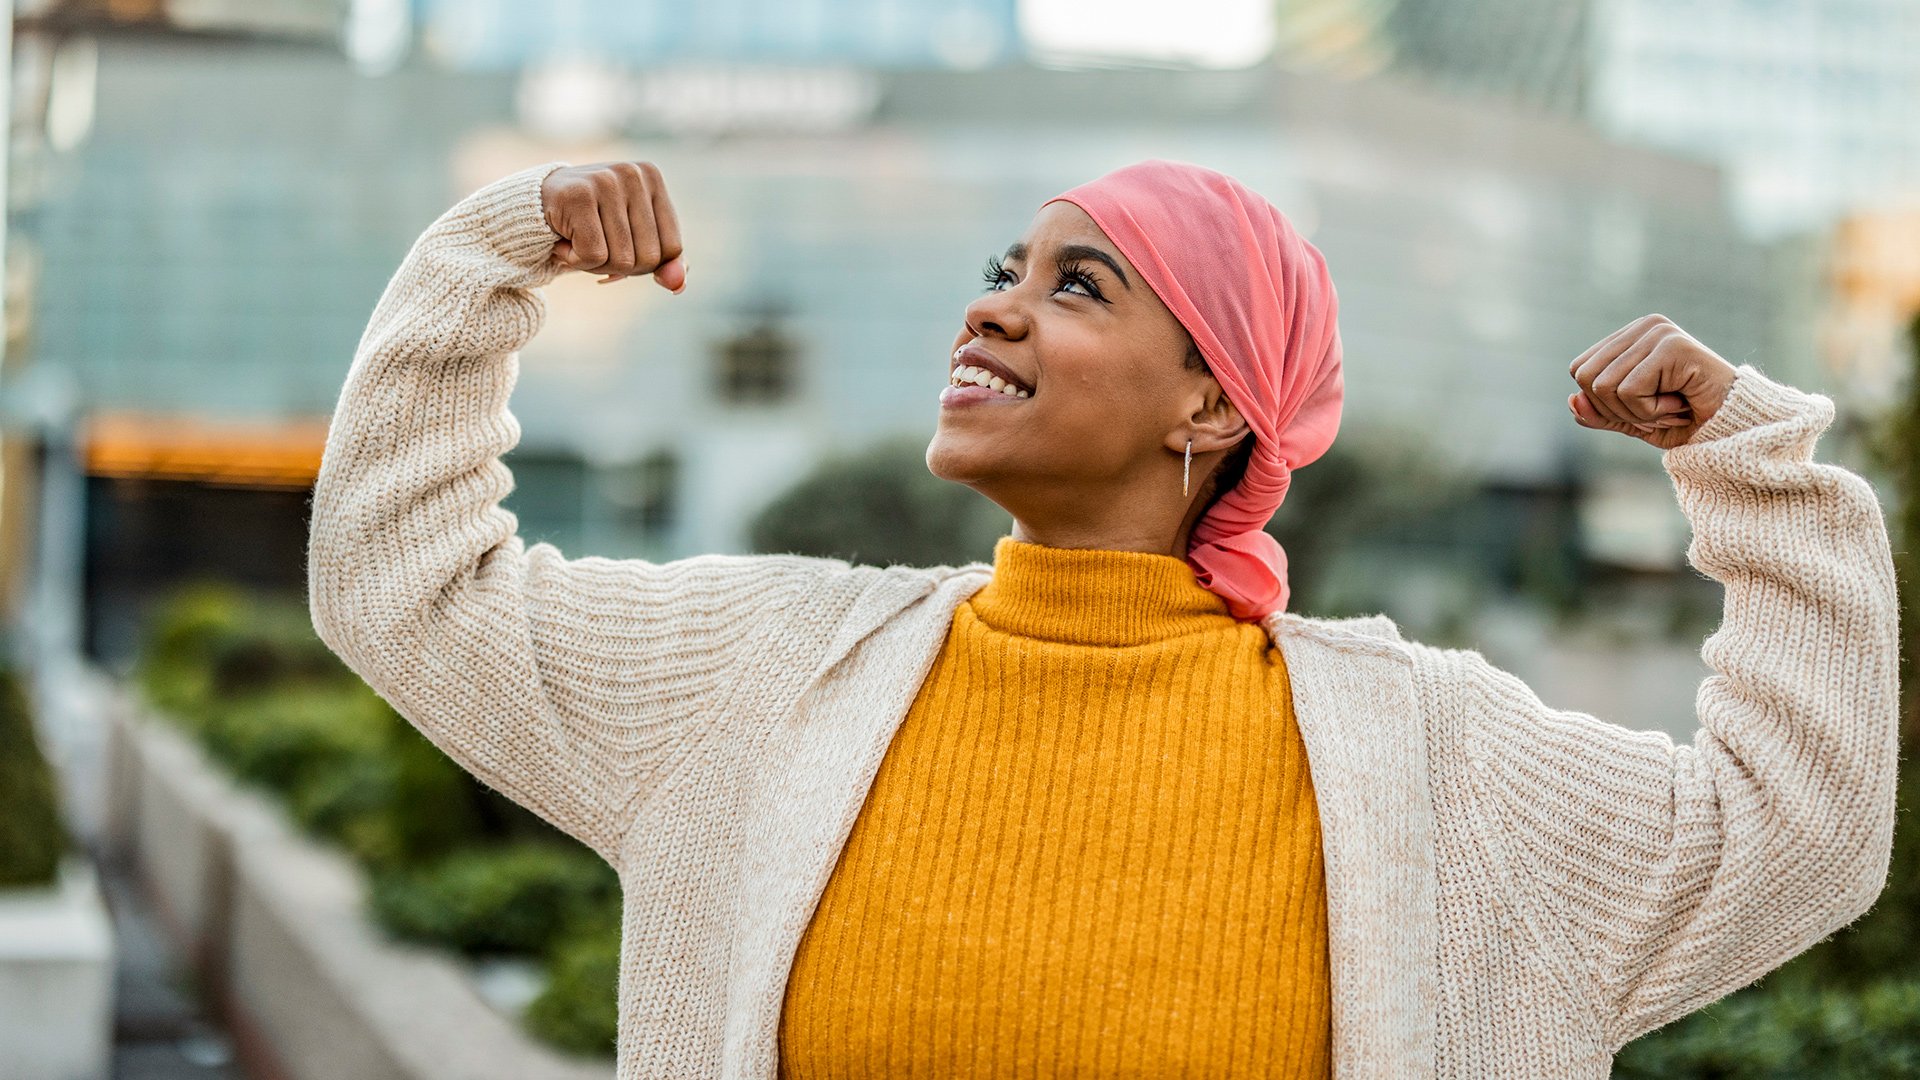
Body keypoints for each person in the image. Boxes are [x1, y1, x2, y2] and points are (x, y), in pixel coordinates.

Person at [307, 159, 1899, 1079]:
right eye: (1008, 269)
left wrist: (1753, 467)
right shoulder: (761, 676)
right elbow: (409, 583)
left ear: (1215, 401)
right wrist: (492, 260)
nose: (993, 304)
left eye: (1079, 287)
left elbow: (1797, 830)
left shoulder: (1433, 764)